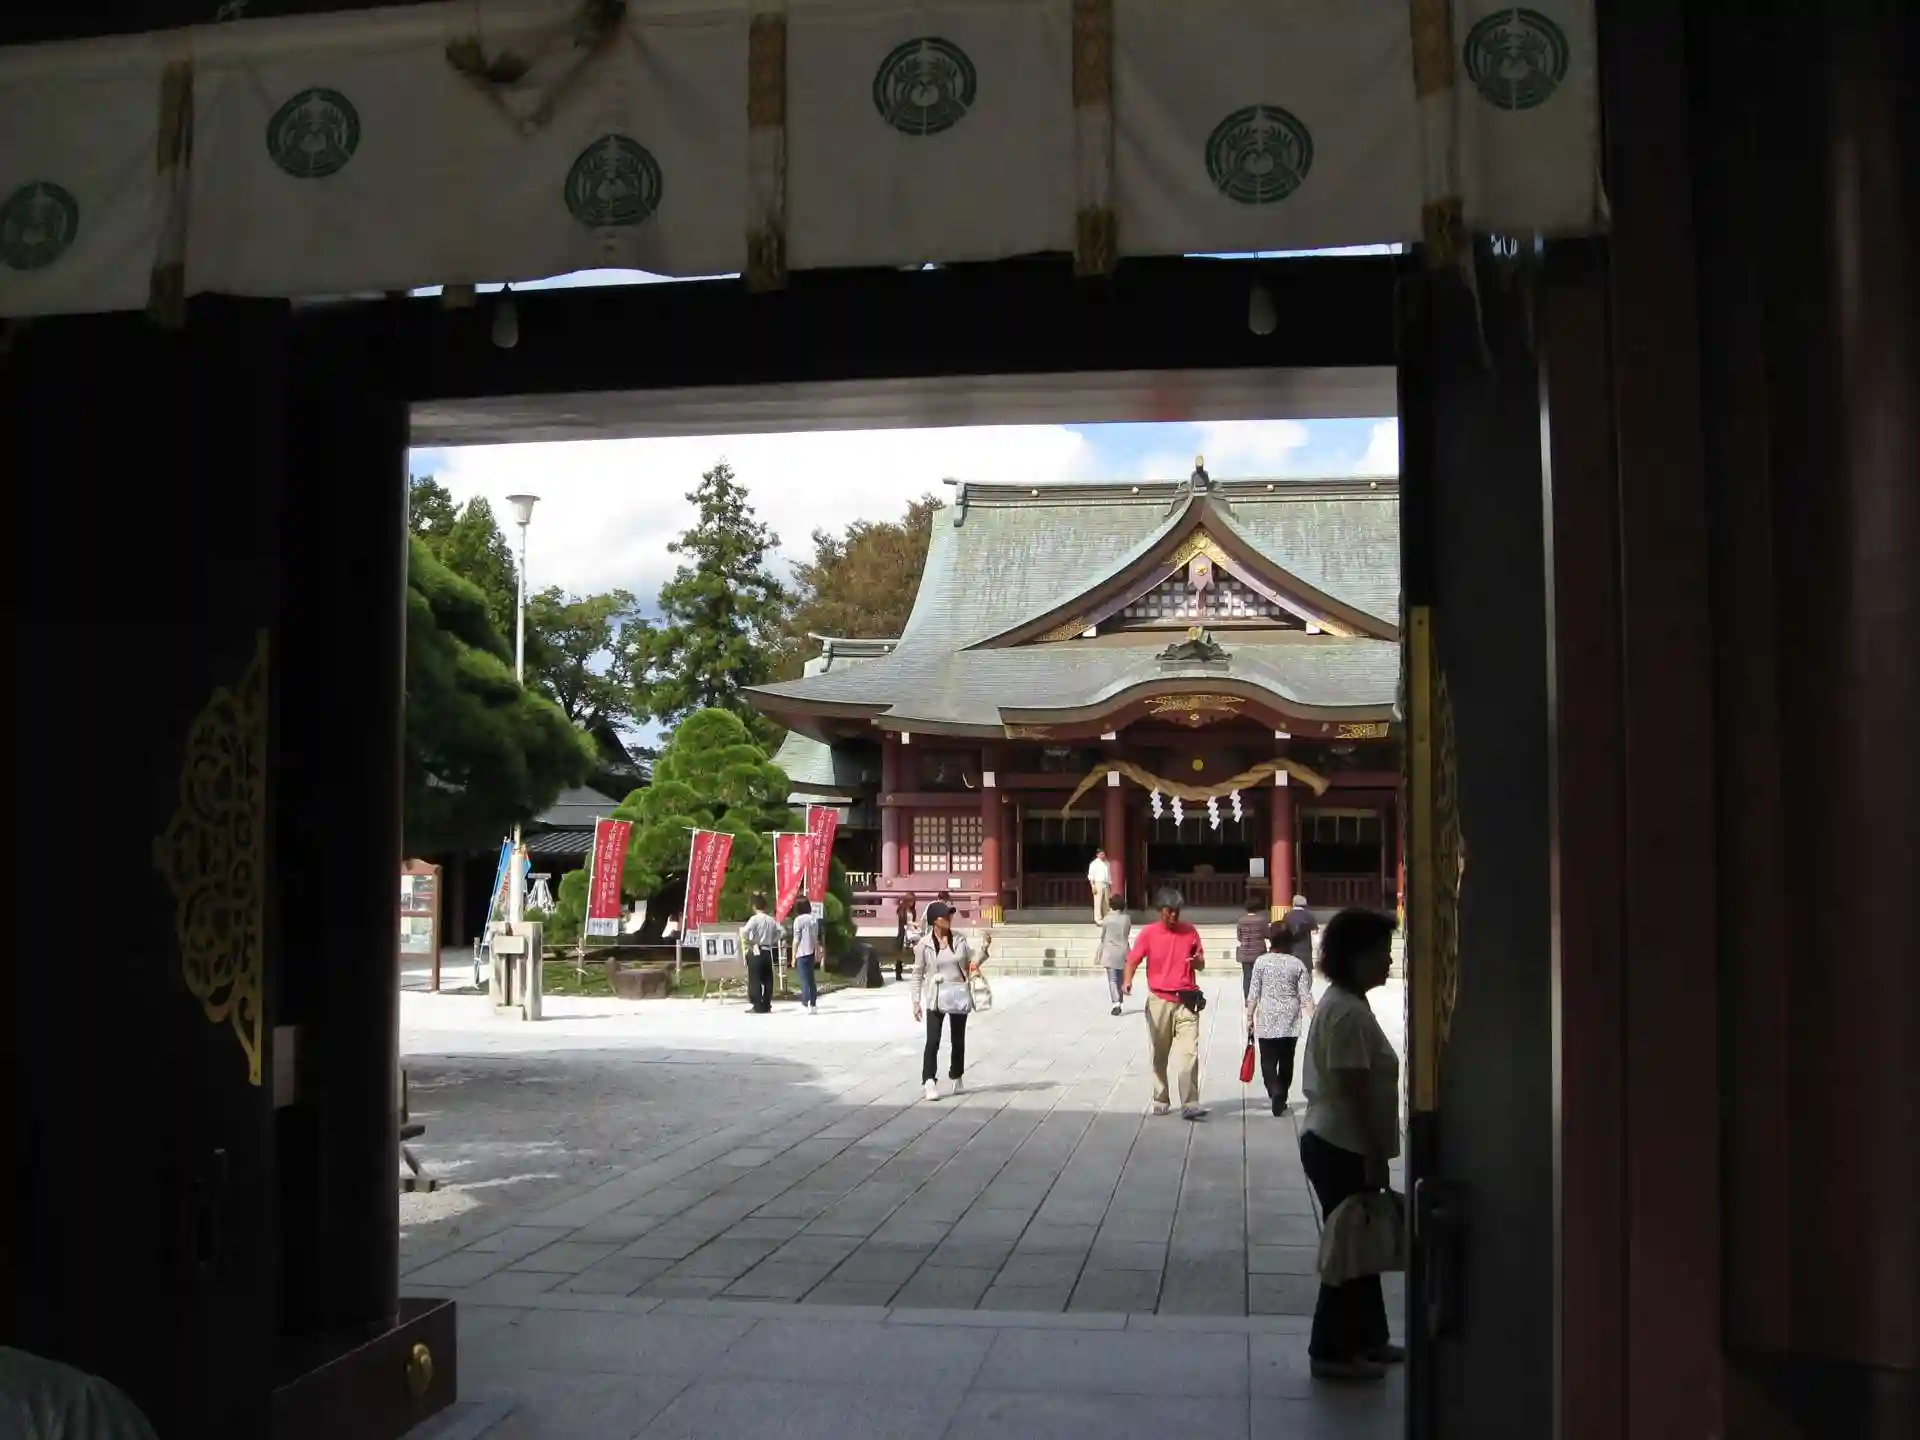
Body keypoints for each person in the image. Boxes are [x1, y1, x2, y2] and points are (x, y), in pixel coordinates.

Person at [1298, 907, 1401, 1381]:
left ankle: (1369, 1337)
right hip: (1341, 1141)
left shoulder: (1347, 1003)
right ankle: (1332, 1350)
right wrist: (1374, 1153)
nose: (1389, 960)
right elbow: (1353, 1090)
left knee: (1361, 1242)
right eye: (1382, 951)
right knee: (1347, 1250)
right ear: (1356, 956)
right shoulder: (1347, 1013)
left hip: (1339, 1138)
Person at [1122, 886, 1208, 1119]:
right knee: (1160, 1053)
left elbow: (1201, 963)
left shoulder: (1189, 931)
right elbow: (1133, 960)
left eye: (1177, 911)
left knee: (1189, 1053)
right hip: (1159, 1000)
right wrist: (1127, 981)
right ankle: (1161, 1097)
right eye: (1169, 911)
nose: (1173, 916)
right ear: (1159, 910)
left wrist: (1196, 961)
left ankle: (1190, 1102)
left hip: (1187, 1001)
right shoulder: (1148, 933)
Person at [911, 901, 983, 1101]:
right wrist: (916, 1001)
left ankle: (957, 1075)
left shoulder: (959, 939)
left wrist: (984, 950)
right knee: (933, 1040)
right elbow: (917, 974)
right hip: (935, 995)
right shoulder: (924, 944)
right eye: (945, 916)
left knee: (958, 1039)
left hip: (958, 993)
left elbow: (971, 964)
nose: (950, 918)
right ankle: (929, 1080)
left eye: (950, 915)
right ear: (935, 920)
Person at [1246, 920, 1316, 1115]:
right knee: (1287, 1060)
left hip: (1267, 1017)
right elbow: (1306, 997)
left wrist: (1249, 1017)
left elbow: (1253, 993)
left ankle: (1274, 1091)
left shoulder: (1261, 962)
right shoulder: (1297, 964)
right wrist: (1315, 1018)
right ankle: (1282, 1096)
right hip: (1290, 1020)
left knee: (1268, 1061)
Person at [741, 893, 780, 1013]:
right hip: (767, 950)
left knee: (755, 978)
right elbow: (782, 932)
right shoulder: (771, 920)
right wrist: (773, 940)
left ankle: (757, 1004)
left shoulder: (754, 919)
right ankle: (767, 1004)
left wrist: (751, 942)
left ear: (754, 906)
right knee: (768, 979)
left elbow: (744, 932)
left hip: (756, 950)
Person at [1094, 889, 1132, 1016]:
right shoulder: (1127, 918)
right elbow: (1127, 933)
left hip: (1110, 951)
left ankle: (1116, 1003)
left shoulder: (1107, 919)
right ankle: (1120, 1000)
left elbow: (1103, 935)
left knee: (1112, 979)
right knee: (1120, 978)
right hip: (1123, 950)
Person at [790, 896, 822, 1013]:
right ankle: (813, 1004)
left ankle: (806, 1001)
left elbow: (796, 939)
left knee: (804, 979)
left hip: (801, 953)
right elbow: (815, 938)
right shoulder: (813, 919)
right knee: (811, 979)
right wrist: (817, 951)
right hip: (811, 952)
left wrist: (793, 956)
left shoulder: (798, 920)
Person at [1235, 896, 1267, 996]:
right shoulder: (1262, 920)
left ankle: (1247, 998)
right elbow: (1267, 934)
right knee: (1259, 977)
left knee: (1247, 977)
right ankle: (1259, 997)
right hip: (1259, 952)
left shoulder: (1241, 920)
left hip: (1245, 952)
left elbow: (1239, 937)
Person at [1282, 893, 1319, 967]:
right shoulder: (1309, 916)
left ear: (1293, 904)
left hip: (1291, 949)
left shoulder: (1287, 916)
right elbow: (1315, 932)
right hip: (1305, 951)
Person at [894, 894, 918, 982]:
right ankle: (898, 972)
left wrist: (916, 927)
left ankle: (918, 971)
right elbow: (903, 922)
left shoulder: (913, 910)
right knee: (900, 953)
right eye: (911, 901)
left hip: (912, 932)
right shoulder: (901, 909)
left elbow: (913, 921)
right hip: (903, 932)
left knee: (917, 951)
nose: (912, 903)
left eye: (913, 901)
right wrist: (912, 923)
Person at [1087, 849, 1112, 921]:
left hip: (1106, 883)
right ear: (1097, 855)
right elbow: (1091, 875)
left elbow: (1109, 875)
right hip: (1098, 883)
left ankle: (1107, 917)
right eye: (1101, 854)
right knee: (1098, 902)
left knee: (1106, 902)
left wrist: (1109, 884)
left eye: (1103, 854)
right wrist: (1093, 885)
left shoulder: (1107, 863)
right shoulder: (1094, 864)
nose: (1102, 856)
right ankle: (1098, 918)